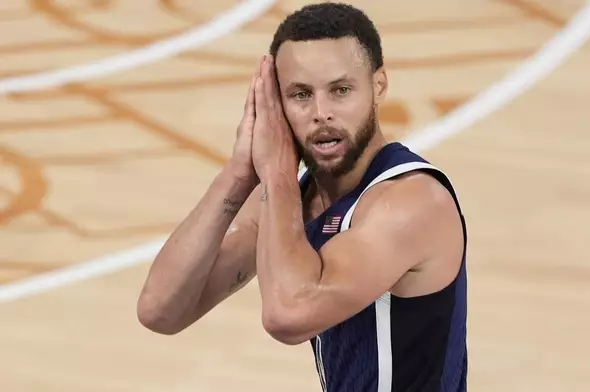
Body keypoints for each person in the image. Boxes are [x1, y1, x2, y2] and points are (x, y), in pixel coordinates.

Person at [137, 3, 468, 391]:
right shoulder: (296, 197)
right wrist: (238, 175)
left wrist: (276, 173)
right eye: (300, 95)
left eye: (341, 90)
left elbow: (288, 315)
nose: (321, 113)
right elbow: (160, 310)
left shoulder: (411, 202)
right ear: (276, 105)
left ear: (378, 86)